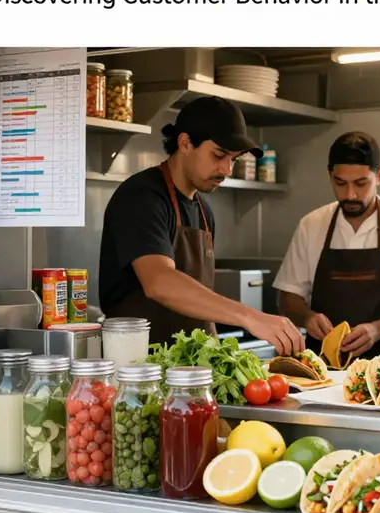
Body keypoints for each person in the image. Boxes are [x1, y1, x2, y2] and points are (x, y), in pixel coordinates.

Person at [98, 96, 305, 356]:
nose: (227, 169)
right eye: (219, 155)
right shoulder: (142, 196)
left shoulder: (204, 211)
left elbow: (202, 306)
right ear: (184, 143)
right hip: (140, 370)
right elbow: (159, 281)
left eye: (234, 159)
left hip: (190, 371)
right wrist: (250, 317)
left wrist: (222, 359)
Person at [273, 131, 380, 361]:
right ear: (329, 175)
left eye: (361, 183)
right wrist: (307, 318)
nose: (350, 194)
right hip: (322, 367)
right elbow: (288, 298)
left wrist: (378, 329)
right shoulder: (311, 225)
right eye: (340, 183)